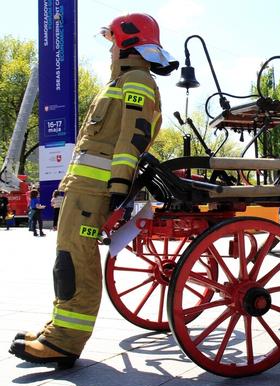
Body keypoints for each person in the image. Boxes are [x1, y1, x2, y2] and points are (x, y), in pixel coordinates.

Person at [9, 12, 177, 368]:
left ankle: (65, 342)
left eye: (113, 43)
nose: (110, 51)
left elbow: (133, 136)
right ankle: (58, 327)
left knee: (76, 259)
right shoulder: (122, 83)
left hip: (97, 189)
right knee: (67, 257)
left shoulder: (136, 82)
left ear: (127, 43)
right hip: (85, 187)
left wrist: (118, 183)